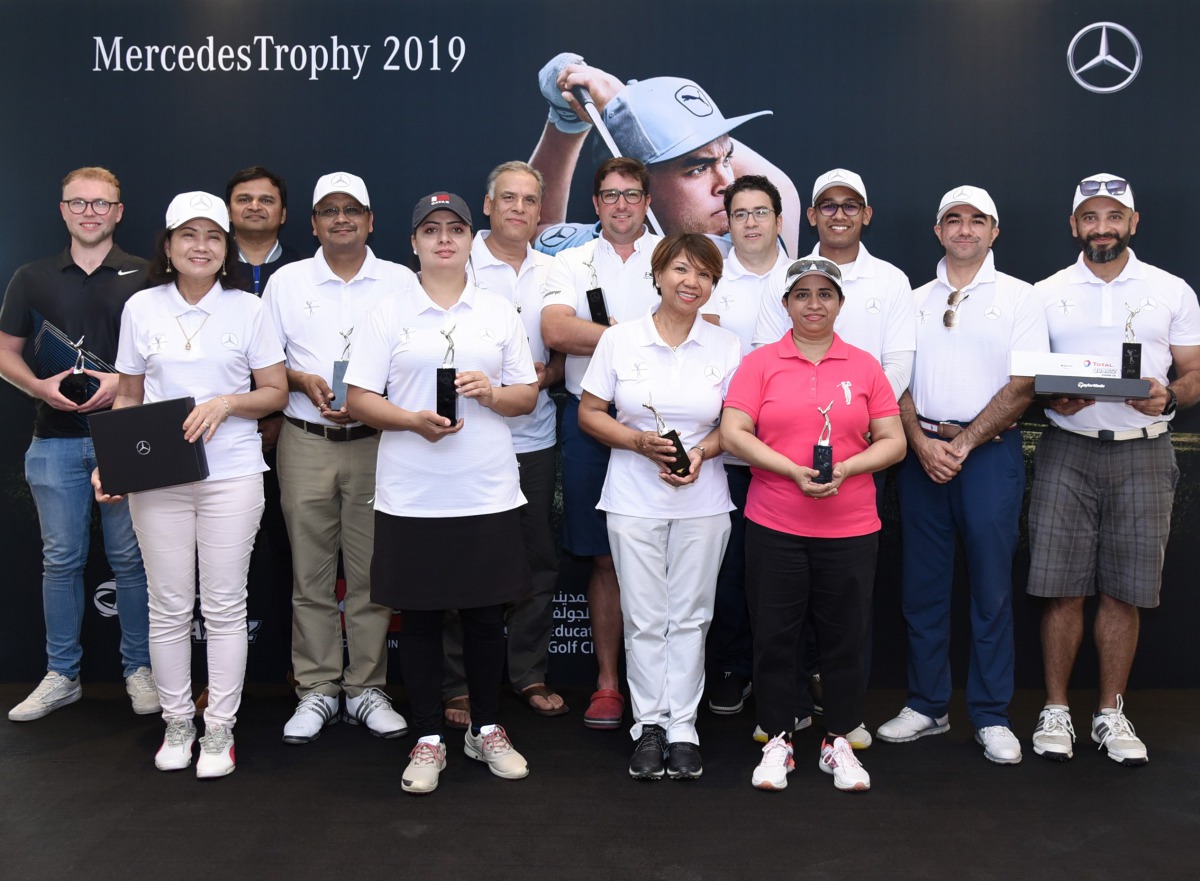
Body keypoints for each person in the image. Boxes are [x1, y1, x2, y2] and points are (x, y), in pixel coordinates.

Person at [345, 192, 538, 795]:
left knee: (484, 617)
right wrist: (410, 421)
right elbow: (358, 398)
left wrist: (491, 394)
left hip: (486, 491)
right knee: (422, 619)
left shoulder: (497, 310)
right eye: (431, 230)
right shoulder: (388, 311)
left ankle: (486, 727)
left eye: (456, 228)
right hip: (412, 494)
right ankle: (428, 736)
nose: (444, 239)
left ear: (471, 238)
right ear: (414, 242)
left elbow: (526, 396)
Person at [93, 191, 287, 778]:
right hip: (158, 479)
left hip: (232, 476)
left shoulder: (248, 309)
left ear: (226, 248)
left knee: (225, 606)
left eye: (212, 237)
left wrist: (226, 403)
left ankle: (219, 728)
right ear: (169, 245)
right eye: (188, 235)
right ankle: (178, 722)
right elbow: (128, 395)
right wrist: (113, 462)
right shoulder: (142, 307)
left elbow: (274, 392)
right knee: (169, 606)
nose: (200, 247)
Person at [1027, 173, 1200, 766]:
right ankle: (1055, 709)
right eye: (1091, 217)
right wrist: (1052, 398)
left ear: (1133, 222)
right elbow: (1028, 377)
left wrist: (1169, 397)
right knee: (1061, 588)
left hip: (1144, 449)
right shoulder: (1044, 292)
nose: (1103, 228)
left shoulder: (1171, 289)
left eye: (1114, 216)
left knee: (1125, 591)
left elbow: (1194, 372)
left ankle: (1110, 712)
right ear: (1074, 225)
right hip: (1067, 447)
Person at [877, 186, 1049, 764]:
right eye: (953, 219)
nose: (965, 228)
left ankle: (991, 714)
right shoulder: (912, 299)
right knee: (922, 589)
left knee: (991, 591)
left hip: (989, 456)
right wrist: (920, 441)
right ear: (938, 230)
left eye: (978, 220)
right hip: (920, 454)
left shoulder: (1021, 297)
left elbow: (1025, 384)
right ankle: (927, 705)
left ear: (994, 231)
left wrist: (965, 442)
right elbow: (894, 379)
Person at [722, 257, 905, 793]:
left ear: (840, 304)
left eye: (825, 294)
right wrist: (789, 470)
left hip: (850, 529)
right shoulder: (760, 363)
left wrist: (847, 468)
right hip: (775, 523)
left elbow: (893, 441)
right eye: (802, 294)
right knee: (774, 636)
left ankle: (838, 740)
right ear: (786, 304)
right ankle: (778, 739)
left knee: (844, 639)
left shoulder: (865, 366)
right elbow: (734, 432)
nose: (814, 304)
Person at [579, 233, 741, 780]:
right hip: (632, 498)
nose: (691, 282)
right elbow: (590, 413)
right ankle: (648, 724)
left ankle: (683, 727)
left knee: (692, 617)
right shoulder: (619, 340)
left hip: (704, 499)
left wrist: (701, 454)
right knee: (645, 616)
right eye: (680, 270)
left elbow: (736, 425)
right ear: (658, 274)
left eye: (704, 274)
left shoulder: (727, 345)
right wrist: (637, 442)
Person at [262, 172, 413, 745]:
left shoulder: (400, 280)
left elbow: (414, 358)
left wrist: (373, 399)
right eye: (329, 210)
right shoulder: (286, 281)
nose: (341, 218)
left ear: (371, 221)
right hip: (305, 439)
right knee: (311, 575)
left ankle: (367, 688)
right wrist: (302, 379)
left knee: (373, 574)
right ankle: (318, 688)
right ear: (313, 223)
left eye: (352, 209)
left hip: (378, 442)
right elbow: (265, 361)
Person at [0, 166, 156, 723]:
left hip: (128, 438)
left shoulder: (148, 275)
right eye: (78, 203)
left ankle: (140, 670)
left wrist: (123, 384)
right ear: (63, 210)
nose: (90, 212)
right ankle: (61, 675)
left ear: (119, 211)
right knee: (61, 560)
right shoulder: (31, 277)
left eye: (101, 203)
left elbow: (172, 354)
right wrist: (38, 386)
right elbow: (5, 350)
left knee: (131, 560)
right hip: (54, 441)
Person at [440, 161, 567, 729]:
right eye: (508, 198)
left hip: (534, 438)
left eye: (529, 200)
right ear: (488, 206)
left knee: (536, 560)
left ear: (542, 211)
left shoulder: (557, 271)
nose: (519, 208)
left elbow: (563, 355)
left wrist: (547, 374)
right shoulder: (457, 263)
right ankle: (458, 684)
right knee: (460, 561)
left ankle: (529, 673)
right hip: (464, 438)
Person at [541, 157, 663, 730]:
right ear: (595, 204)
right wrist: (636, 338)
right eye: (610, 195)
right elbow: (556, 330)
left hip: (661, 419)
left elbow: (699, 324)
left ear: (647, 202)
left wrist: (606, 340)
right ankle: (609, 684)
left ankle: (662, 685)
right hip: (589, 420)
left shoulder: (671, 255)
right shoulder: (569, 260)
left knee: (666, 553)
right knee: (605, 555)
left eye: (632, 194)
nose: (621, 205)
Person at [529, 55, 802, 255]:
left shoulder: (749, 251)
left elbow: (783, 192)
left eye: (727, 160)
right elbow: (533, 231)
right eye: (698, 169)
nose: (728, 185)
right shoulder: (591, 251)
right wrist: (574, 118)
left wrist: (617, 108)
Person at [704, 175, 792, 719]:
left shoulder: (805, 278)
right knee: (731, 569)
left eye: (761, 212)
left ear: (780, 221)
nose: (752, 223)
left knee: (787, 572)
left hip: (789, 454)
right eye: (740, 214)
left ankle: (791, 671)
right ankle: (734, 668)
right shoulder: (709, 280)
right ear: (728, 223)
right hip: (728, 453)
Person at [754, 168, 914, 399]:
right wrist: (806, 409)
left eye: (850, 206)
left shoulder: (892, 280)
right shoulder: (782, 278)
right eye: (828, 206)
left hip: (867, 417)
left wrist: (856, 410)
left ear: (866, 214)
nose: (839, 215)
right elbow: (765, 359)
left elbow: (898, 368)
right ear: (812, 215)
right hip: (795, 413)